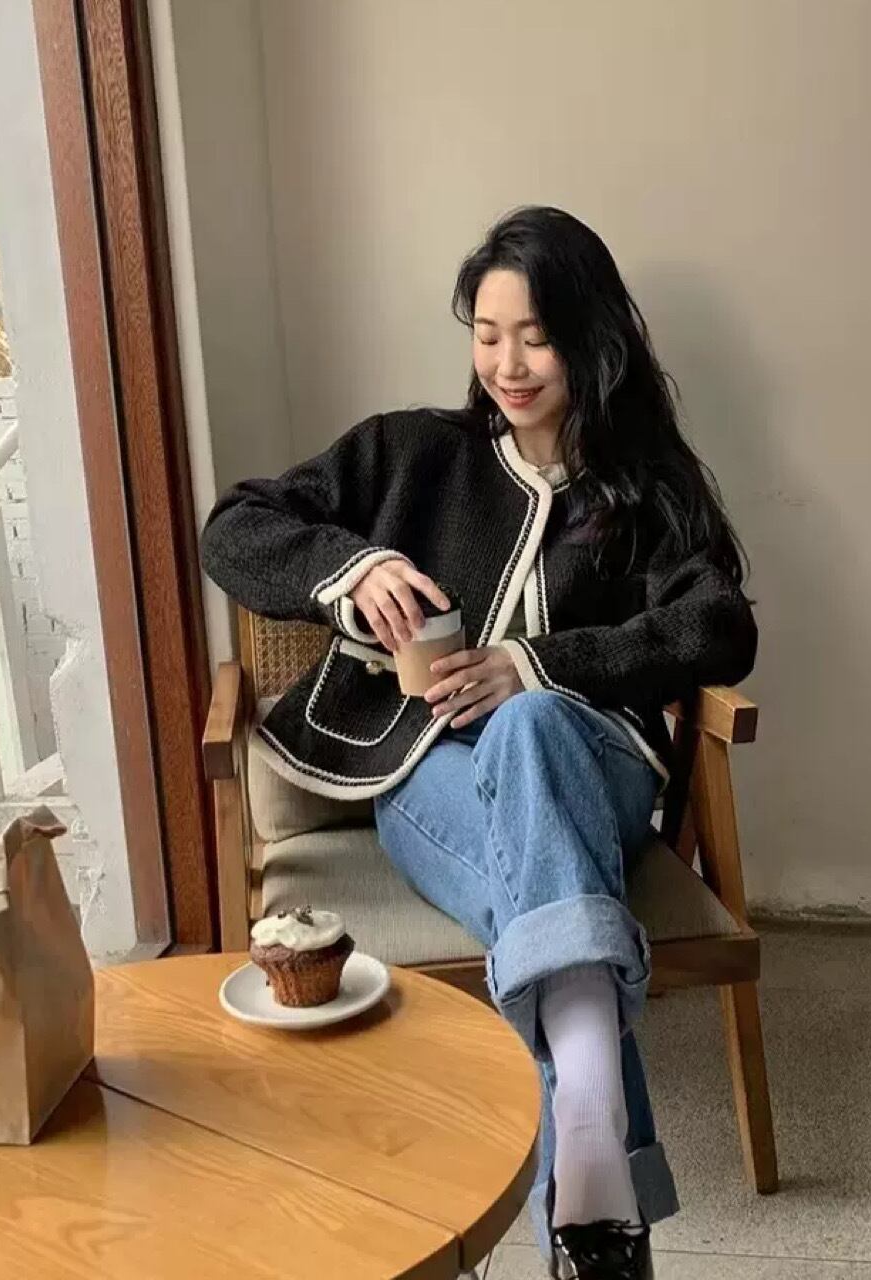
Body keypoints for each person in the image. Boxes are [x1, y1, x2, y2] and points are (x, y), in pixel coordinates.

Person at [200, 205, 756, 1280]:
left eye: (535, 338)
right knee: (538, 865)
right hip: (427, 780)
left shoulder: (647, 487)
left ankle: (582, 1161)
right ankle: (593, 1143)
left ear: (593, 340)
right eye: (487, 334)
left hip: (590, 763)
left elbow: (719, 625)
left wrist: (536, 666)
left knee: (533, 725)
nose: (506, 364)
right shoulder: (412, 454)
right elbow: (234, 528)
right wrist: (353, 567)